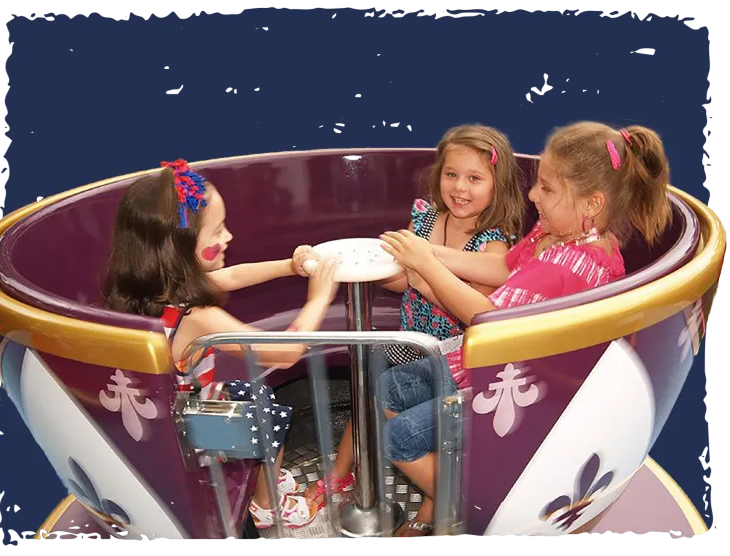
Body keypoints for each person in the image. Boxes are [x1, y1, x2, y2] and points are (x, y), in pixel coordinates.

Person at [377, 122, 671, 537]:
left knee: (399, 438)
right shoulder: (554, 233)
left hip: (520, 393)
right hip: (494, 364)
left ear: (591, 204)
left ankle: (469, 507)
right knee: (390, 389)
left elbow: (488, 322)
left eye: (547, 189)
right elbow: (502, 268)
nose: (533, 196)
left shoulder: (569, 266)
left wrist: (426, 266)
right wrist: (431, 253)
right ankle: (440, 491)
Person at [102, 159, 340, 529]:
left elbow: (230, 276)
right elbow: (286, 352)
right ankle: (266, 506)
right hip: (187, 432)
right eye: (217, 232)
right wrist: (318, 300)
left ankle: (265, 484)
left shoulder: (157, 289)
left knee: (255, 396)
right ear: (178, 247)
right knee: (268, 418)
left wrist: (287, 266)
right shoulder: (196, 314)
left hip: (175, 411)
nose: (227, 238)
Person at [302, 125, 525, 512]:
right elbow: (402, 277)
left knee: (430, 430)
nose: (460, 188)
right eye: (452, 175)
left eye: (474, 178)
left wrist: (423, 279)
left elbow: (475, 308)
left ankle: (435, 501)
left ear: (497, 184)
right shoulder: (424, 217)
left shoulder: (493, 240)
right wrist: (373, 264)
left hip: (452, 360)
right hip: (412, 343)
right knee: (372, 392)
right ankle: (341, 474)